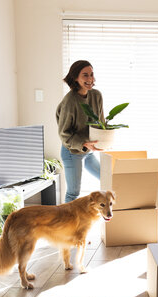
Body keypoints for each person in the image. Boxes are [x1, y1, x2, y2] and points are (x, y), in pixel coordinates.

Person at [56, 60, 104, 203]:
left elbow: (101, 122)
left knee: (107, 177)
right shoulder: (70, 101)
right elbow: (64, 134)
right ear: (75, 78)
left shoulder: (96, 95)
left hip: (88, 151)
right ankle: (67, 225)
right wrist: (84, 143)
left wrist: (105, 138)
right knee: (73, 192)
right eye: (85, 75)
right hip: (72, 152)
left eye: (91, 74)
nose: (90, 79)